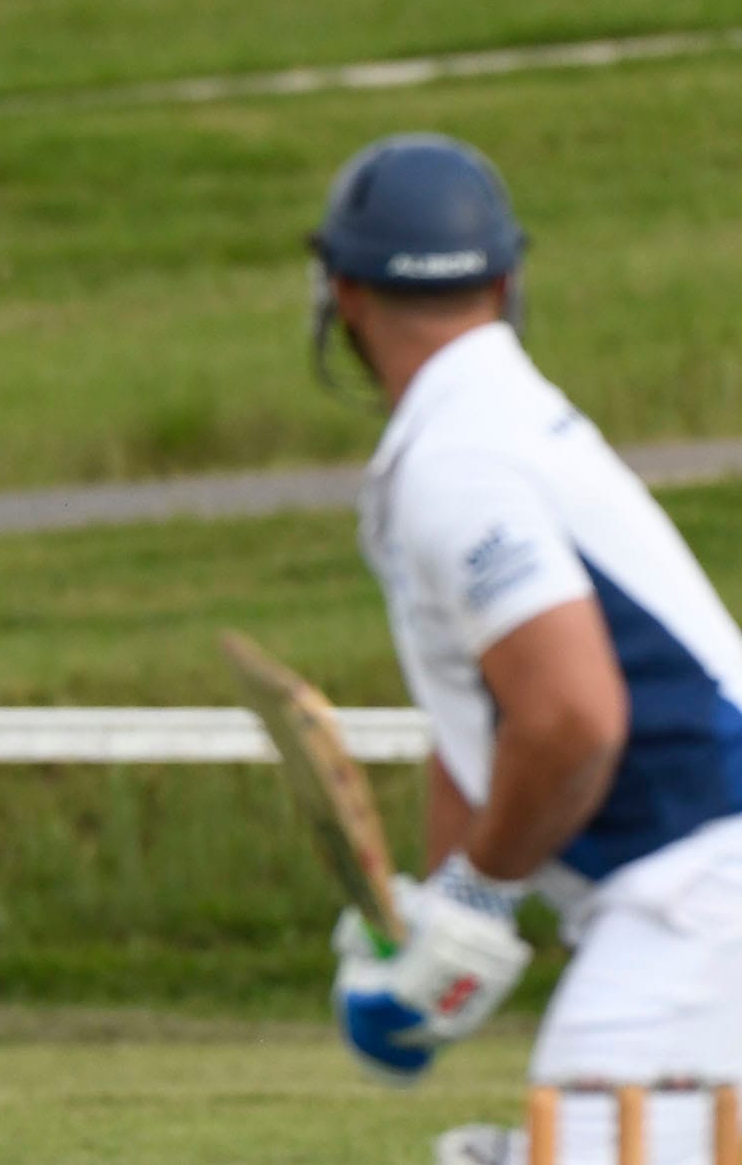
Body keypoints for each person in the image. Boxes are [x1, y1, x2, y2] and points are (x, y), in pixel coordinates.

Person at [309, 135, 742, 1164]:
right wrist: (433, 923)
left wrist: (476, 898)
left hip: (700, 895)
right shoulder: (488, 425)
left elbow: (571, 716)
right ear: (504, 284)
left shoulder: (459, 459)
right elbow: (492, 717)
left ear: (341, 294)